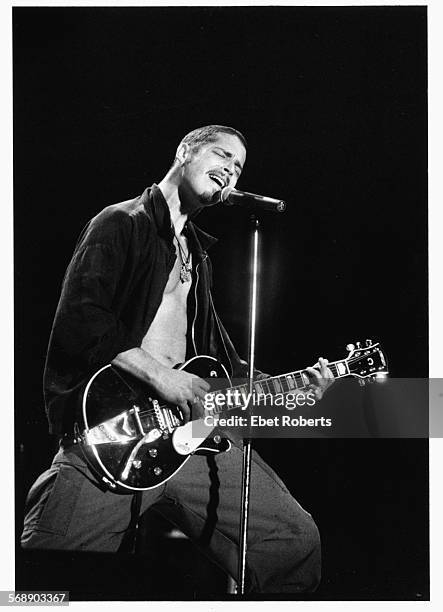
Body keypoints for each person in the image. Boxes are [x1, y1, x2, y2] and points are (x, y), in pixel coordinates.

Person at [21, 125, 334, 593]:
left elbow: (219, 360)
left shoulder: (197, 254)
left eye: (239, 165)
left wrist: (297, 383)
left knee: (292, 539)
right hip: (115, 431)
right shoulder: (121, 222)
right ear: (185, 151)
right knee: (45, 580)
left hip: (190, 433)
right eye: (221, 154)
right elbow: (82, 319)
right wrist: (164, 379)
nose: (230, 168)